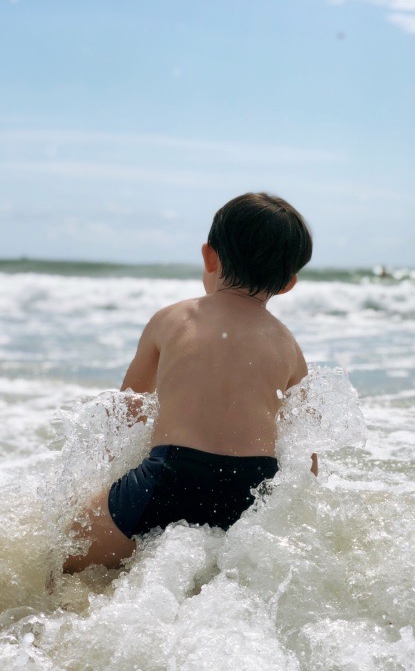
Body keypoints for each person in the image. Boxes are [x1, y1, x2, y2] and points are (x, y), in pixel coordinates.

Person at [63, 193, 317, 573]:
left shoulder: (173, 319)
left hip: (169, 476)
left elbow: (127, 410)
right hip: (251, 488)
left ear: (210, 256)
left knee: (69, 562)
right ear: (289, 284)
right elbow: (306, 447)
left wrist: (109, 480)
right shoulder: (287, 345)